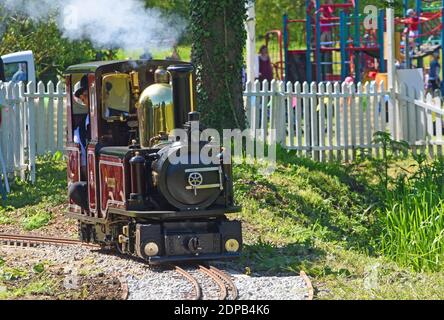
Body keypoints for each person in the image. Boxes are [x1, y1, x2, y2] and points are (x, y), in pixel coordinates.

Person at [73, 75, 90, 177]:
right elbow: (84, 168)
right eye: (88, 95)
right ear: (83, 99)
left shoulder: (123, 117)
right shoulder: (80, 131)